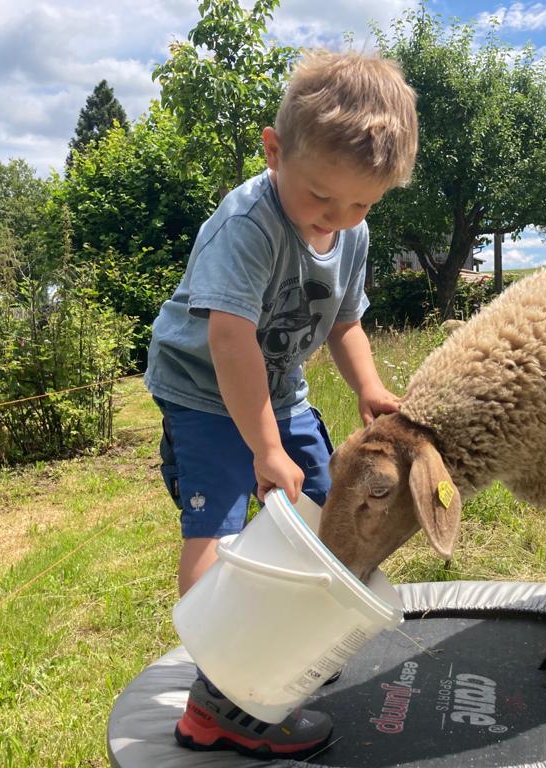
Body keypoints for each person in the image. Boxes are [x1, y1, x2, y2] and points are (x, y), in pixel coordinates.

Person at [143, 49, 419, 757]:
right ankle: (222, 697)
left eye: (362, 204)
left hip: (282, 393)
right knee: (219, 526)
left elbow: (345, 322)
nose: (339, 217)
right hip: (205, 393)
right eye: (322, 197)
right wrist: (264, 449)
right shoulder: (249, 223)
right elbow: (229, 338)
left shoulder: (351, 232)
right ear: (274, 152)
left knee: (329, 509)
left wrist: (369, 388)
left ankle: (291, 647)